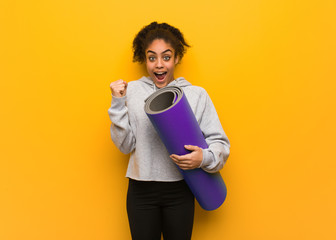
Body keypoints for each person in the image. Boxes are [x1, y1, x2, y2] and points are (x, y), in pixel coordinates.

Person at [108, 21, 230, 240]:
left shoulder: (196, 95)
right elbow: (125, 146)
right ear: (144, 59)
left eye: (166, 56)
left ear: (176, 58)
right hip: (141, 191)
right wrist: (118, 103)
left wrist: (203, 158)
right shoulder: (132, 91)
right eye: (152, 57)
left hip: (181, 190)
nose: (159, 65)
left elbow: (220, 143)